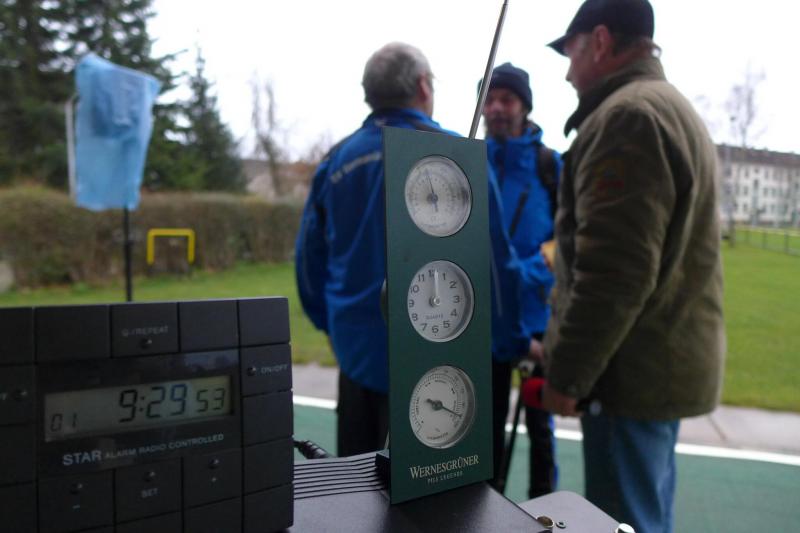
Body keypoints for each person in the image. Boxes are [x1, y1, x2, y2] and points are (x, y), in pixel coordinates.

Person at [540, 1, 726, 532]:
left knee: (623, 523)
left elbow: (614, 274)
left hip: (628, 377)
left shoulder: (627, 118)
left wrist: (567, 374)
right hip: (654, 367)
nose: (567, 71)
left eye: (571, 52)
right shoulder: (666, 107)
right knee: (645, 515)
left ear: (600, 42)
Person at [295, 42, 531, 457]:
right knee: (437, 487)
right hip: (437, 365)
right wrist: (512, 341)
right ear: (423, 86)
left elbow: (308, 266)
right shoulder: (458, 156)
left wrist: (330, 326)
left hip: (356, 359)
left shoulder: (336, 161)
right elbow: (495, 265)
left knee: (355, 484)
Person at [481, 63, 561, 498]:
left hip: (537, 321)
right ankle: (484, 512)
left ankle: (544, 513)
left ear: (524, 106)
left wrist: (521, 273)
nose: (496, 108)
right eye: (489, 99)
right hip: (488, 321)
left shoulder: (550, 166)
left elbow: (567, 239)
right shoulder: (470, 161)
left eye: (506, 99)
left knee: (540, 429)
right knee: (485, 429)